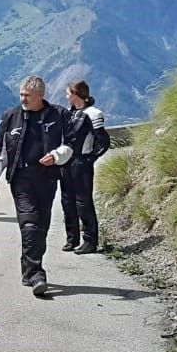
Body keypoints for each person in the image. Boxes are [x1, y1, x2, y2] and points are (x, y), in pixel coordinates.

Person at [0, 77, 75, 298]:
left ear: (40, 96)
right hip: (21, 178)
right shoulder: (11, 116)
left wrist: (55, 156)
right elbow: (1, 151)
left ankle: (28, 267)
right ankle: (37, 274)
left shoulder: (59, 115)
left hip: (47, 178)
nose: (22, 99)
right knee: (29, 224)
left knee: (41, 226)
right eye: (21, 94)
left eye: (27, 95)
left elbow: (71, 145)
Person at [61, 80, 111, 254]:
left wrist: (90, 158)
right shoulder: (68, 113)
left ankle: (90, 241)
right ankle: (72, 238)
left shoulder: (93, 114)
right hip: (66, 163)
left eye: (67, 93)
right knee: (67, 201)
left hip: (81, 162)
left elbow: (104, 141)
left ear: (75, 94)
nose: (66, 96)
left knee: (83, 202)